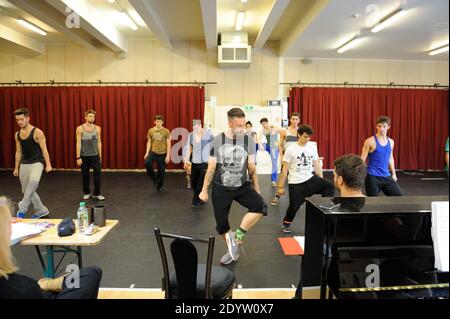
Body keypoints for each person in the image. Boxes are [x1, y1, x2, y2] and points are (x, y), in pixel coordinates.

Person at [199, 108, 267, 265]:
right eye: (238, 125)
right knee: (222, 226)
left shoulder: (248, 140)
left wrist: (256, 188)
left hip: (242, 186)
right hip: (221, 187)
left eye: (243, 125)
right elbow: (211, 167)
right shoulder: (217, 141)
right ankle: (232, 249)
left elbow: (251, 167)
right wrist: (203, 190)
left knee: (260, 206)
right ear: (230, 123)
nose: (241, 128)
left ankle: (237, 237)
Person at [0, 196, 102, 299]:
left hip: (34, 290)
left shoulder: (23, 287)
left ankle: (48, 284)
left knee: (89, 274)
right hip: (31, 292)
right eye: (9, 224)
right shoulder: (24, 288)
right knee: (90, 275)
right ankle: (47, 284)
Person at [276, 125, 335, 233]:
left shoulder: (312, 147)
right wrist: (280, 187)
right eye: (305, 137)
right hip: (296, 183)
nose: (307, 139)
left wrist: (321, 179)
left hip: (311, 179)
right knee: (294, 207)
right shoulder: (290, 149)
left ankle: (324, 209)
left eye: (309, 137)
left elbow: (316, 164)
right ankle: (286, 222)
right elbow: (284, 170)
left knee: (329, 186)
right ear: (299, 135)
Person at [13, 108, 52, 219]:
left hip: (37, 162)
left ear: (28, 118)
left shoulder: (37, 132)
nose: (20, 122)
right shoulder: (17, 134)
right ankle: (41, 210)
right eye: (17, 120)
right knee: (26, 191)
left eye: (22, 119)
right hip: (24, 164)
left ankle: (22, 208)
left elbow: (44, 149)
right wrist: (16, 168)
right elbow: (18, 152)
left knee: (33, 183)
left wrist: (48, 164)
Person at [361, 116, 404, 196]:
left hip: (386, 176)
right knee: (372, 202)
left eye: (384, 126)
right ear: (376, 126)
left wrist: (394, 173)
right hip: (372, 177)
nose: (381, 129)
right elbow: (362, 159)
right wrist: (359, 175)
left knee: (399, 197)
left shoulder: (391, 142)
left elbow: (390, 158)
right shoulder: (370, 141)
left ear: (388, 127)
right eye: (379, 126)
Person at [272, 112, 301, 205]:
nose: (294, 121)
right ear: (290, 120)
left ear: (299, 120)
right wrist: (281, 156)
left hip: (297, 159)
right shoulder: (285, 131)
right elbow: (280, 145)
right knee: (282, 176)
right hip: (287, 158)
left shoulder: (301, 131)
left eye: (296, 119)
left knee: (296, 179)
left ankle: (296, 199)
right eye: (293, 119)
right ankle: (277, 195)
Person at [76, 109, 104, 201]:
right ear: (85, 117)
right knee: (85, 175)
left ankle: (97, 193)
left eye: (93, 116)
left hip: (95, 155)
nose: (92, 118)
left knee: (98, 174)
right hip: (84, 156)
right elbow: (78, 143)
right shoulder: (80, 129)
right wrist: (78, 157)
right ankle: (87, 192)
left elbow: (99, 142)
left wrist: (100, 155)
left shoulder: (98, 128)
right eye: (90, 116)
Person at [183, 120, 213, 207]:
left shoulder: (208, 135)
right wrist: (186, 160)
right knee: (194, 182)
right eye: (194, 127)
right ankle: (200, 197)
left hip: (205, 162)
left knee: (201, 182)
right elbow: (190, 148)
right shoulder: (191, 135)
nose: (195, 128)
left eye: (197, 127)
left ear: (201, 126)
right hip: (194, 162)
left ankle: (195, 200)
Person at [144, 115, 171, 192]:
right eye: (157, 121)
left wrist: (168, 156)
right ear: (154, 122)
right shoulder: (150, 131)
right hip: (153, 153)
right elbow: (149, 142)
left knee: (161, 172)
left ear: (162, 122)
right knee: (147, 163)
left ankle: (160, 186)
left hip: (163, 154)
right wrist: (146, 153)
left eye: (160, 121)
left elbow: (168, 144)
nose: (158, 123)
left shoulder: (166, 131)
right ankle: (155, 179)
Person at [258, 118, 282, 186]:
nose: (263, 125)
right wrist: (260, 145)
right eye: (262, 124)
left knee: (274, 163)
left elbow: (281, 131)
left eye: (264, 123)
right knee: (255, 145)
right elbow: (259, 139)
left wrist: (276, 126)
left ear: (267, 122)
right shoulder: (263, 130)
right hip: (268, 146)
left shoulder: (273, 128)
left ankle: (273, 180)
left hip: (274, 148)